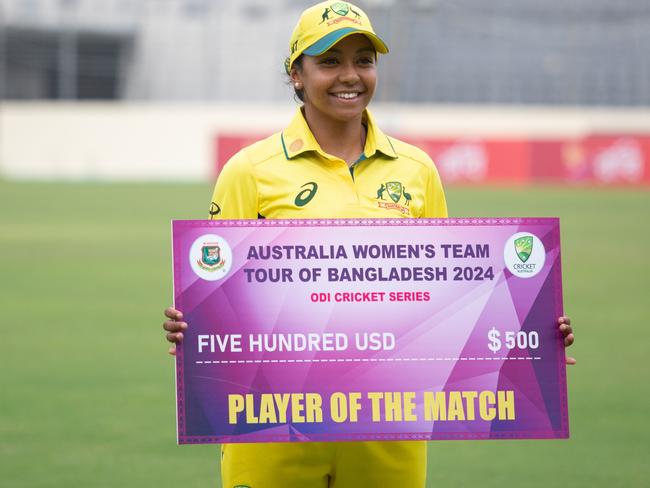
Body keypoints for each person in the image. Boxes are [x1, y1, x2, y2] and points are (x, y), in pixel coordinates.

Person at [162, 2, 576, 486]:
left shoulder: (416, 170)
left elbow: (451, 297)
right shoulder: (249, 171)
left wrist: (530, 336)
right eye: (330, 61)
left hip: (388, 426)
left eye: (364, 59)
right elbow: (218, 297)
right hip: (271, 427)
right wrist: (194, 325)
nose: (350, 76)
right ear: (297, 74)